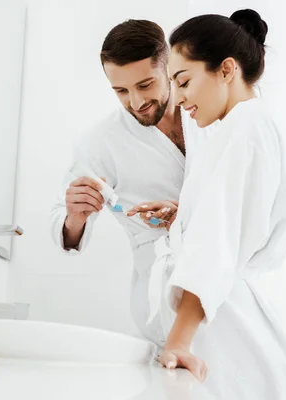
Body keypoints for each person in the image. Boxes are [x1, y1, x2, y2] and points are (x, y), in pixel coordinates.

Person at [130, 9, 286, 399]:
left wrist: (178, 341)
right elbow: (227, 221)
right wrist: (183, 218)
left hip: (227, 333)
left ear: (226, 69)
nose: (180, 97)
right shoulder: (238, 127)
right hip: (220, 321)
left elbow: (218, 240)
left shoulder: (248, 126)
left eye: (184, 81)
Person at [49, 20, 215, 345]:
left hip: (227, 280)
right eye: (121, 91)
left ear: (168, 66)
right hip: (166, 296)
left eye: (145, 85)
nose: (136, 102)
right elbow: (66, 231)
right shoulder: (101, 143)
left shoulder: (210, 115)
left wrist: (185, 215)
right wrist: (75, 217)